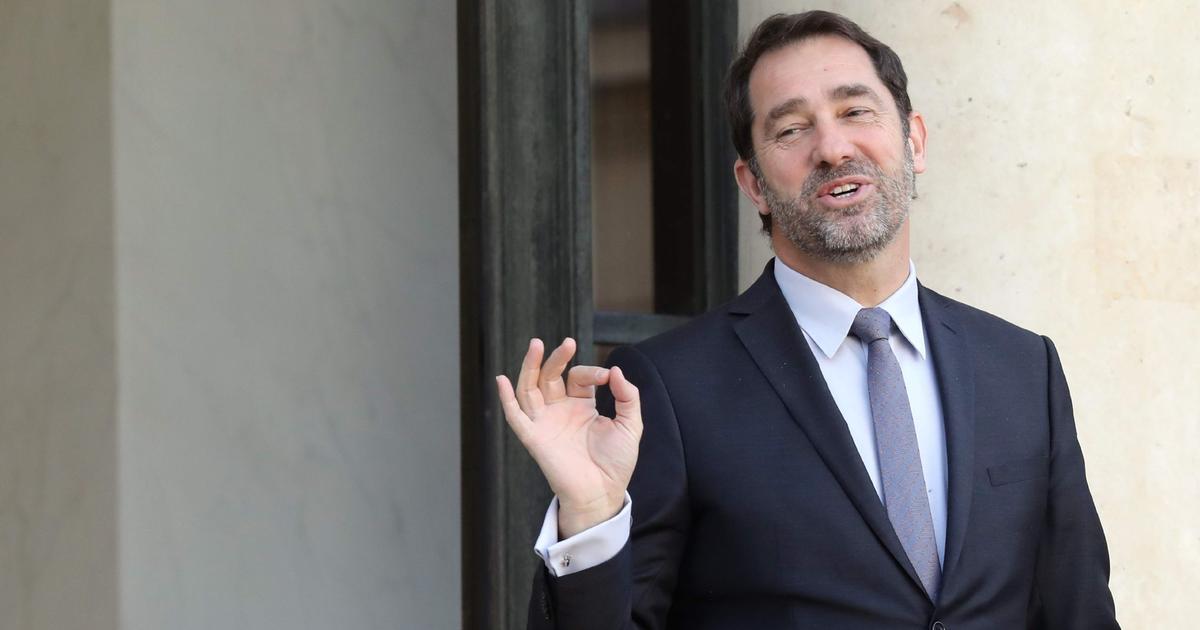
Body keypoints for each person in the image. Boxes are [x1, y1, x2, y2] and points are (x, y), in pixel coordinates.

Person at [495, 10, 1119, 629]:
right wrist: (591, 517)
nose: (833, 148)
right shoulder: (669, 387)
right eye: (791, 129)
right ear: (753, 184)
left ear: (915, 141)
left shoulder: (1023, 367)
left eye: (856, 111)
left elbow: (1080, 612)